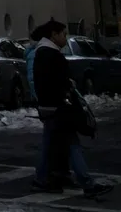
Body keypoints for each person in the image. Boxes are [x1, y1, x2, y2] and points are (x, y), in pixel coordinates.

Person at [28, 19, 112, 197]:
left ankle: (43, 179)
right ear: (54, 35)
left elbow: (43, 82)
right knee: (72, 144)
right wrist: (67, 90)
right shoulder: (52, 55)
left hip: (49, 107)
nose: (65, 38)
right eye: (63, 34)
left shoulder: (41, 53)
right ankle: (86, 183)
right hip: (58, 107)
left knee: (50, 144)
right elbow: (57, 82)